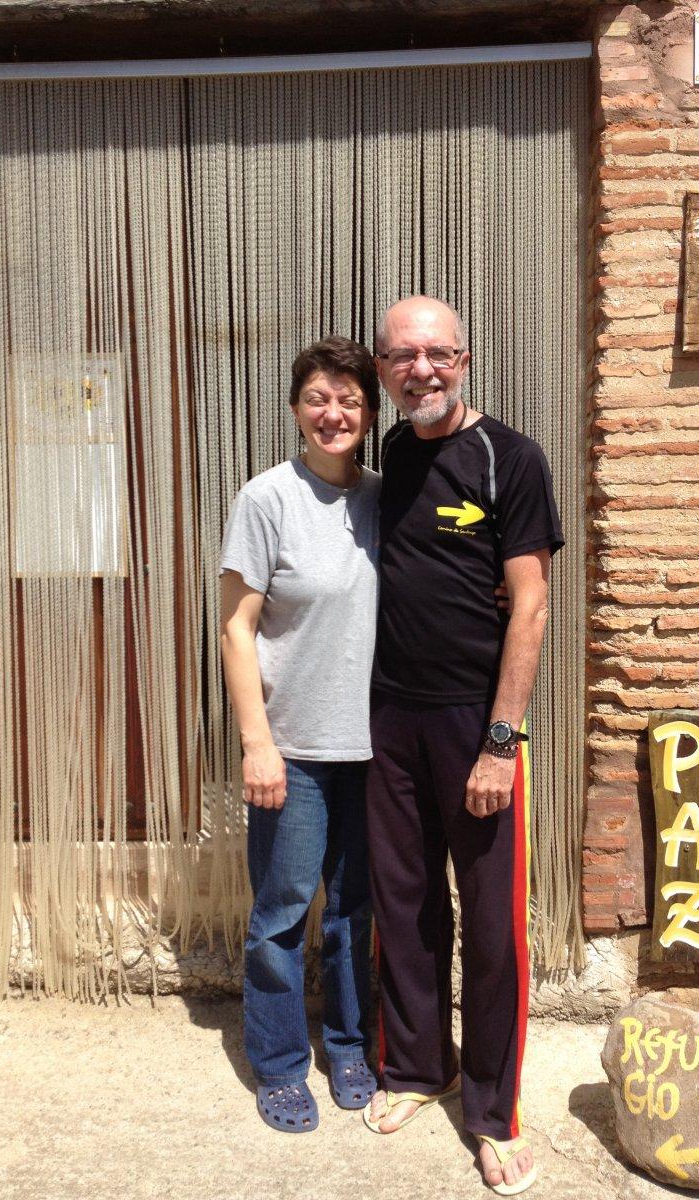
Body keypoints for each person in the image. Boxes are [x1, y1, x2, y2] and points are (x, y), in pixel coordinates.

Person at [364, 297, 563, 1196]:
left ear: (466, 358)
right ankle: (417, 1065)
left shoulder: (510, 457)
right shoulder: (395, 454)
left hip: (475, 724)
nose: (423, 370)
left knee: (490, 928)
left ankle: (493, 1113)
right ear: (382, 369)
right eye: (404, 356)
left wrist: (500, 741)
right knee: (403, 909)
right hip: (389, 720)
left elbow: (531, 605)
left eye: (438, 353)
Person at [219, 336, 381, 1133]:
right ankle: (280, 1063)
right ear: (295, 411)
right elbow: (235, 629)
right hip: (296, 748)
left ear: (371, 414)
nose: (334, 413)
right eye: (319, 398)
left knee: (358, 909)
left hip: (377, 751)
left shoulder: (386, 499)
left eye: (349, 400)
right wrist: (258, 742)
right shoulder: (266, 499)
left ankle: (349, 1046)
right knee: (283, 911)